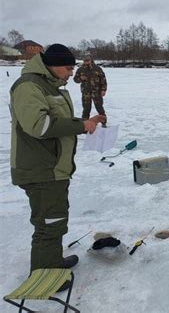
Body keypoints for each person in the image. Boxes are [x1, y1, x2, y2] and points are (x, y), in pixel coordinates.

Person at [9, 44, 106, 275]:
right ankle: (46, 276)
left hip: (53, 168)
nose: (72, 73)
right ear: (53, 65)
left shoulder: (48, 85)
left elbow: (56, 119)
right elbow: (38, 125)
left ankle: (52, 261)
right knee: (49, 224)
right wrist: (82, 124)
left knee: (55, 220)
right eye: (68, 67)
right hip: (41, 169)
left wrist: (85, 123)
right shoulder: (29, 86)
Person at [73, 53, 107, 122]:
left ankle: (104, 123)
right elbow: (75, 79)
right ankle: (85, 125)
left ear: (91, 60)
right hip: (86, 93)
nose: (86, 61)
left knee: (100, 109)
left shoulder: (97, 68)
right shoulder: (80, 69)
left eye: (88, 60)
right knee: (86, 109)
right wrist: (80, 78)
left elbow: (103, 79)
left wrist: (103, 89)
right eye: (85, 60)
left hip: (97, 92)